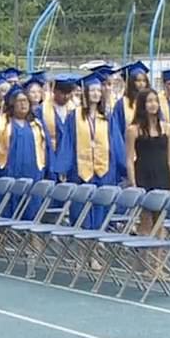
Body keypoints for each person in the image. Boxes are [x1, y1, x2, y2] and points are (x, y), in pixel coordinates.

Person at [55, 72, 125, 229]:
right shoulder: (74, 116)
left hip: (104, 172)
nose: (96, 94)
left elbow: (116, 144)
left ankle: (99, 248)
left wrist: (123, 166)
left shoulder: (107, 117)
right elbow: (68, 142)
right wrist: (63, 166)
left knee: (102, 210)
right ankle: (83, 247)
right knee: (81, 213)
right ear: (85, 92)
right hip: (80, 173)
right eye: (92, 90)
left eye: (99, 90)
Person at [0, 85, 53, 218]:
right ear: (11, 104)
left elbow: (47, 150)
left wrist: (49, 173)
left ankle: (32, 240)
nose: (23, 104)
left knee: (32, 214)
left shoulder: (37, 125)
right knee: (6, 213)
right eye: (19, 101)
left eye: (25, 100)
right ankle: (6, 239)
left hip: (33, 177)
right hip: (6, 176)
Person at [126, 88, 170, 235]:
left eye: (155, 101)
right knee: (146, 221)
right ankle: (145, 257)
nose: (153, 104)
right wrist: (133, 184)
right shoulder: (133, 130)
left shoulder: (167, 128)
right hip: (143, 176)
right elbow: (129, 159)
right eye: (149, 101)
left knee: (160, 221)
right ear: (142, 105)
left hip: (162, 176)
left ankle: (159, 258)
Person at [41, 74, 77, 157]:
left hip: (69, 153)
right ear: (54, 91)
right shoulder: (42, 109)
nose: (66, 97)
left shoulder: (74, 109)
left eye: (68, 93)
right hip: (49, 153)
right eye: (62, 93)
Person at [111, 61, 151, 137]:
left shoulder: (151, 102)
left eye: (144, 81)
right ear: (131, 82)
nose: (142, 84)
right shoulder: (121, 104)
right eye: (138, 81)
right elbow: (117, 132)